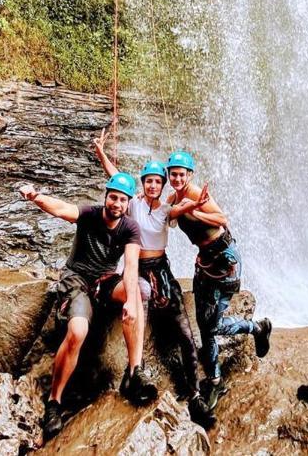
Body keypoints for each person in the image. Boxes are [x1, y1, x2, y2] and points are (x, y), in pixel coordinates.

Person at [19, 172, 157, 441]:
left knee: (140, 291)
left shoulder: (130, 228)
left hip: (105, 282)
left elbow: (130, 267)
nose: (117, 203)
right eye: (113, 197)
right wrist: (36, 196)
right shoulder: (90, 214)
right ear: (106, 197)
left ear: (128, 203)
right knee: (78, 331)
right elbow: (61, 209)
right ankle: (54, 402)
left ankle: (134, 372)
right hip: (78, 281)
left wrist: (129, 300)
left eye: (122, 200)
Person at [92, 129, 212, 426]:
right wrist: (101, 153)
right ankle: (134, 373)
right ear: (143, 184)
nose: (154, 185)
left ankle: (195, 394)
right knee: (138, 313)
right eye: (149, 181)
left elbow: (186, 205)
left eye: (158, 182)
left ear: (161, 186)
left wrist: (198, 204)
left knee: (184, 330)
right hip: (136, 269)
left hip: (162, 270)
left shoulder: (169, 210)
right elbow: (115, 175)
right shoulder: (131, 203)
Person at [166, 150, 272, 408]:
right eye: (173, 174)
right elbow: (158, 209)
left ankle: (220, 376)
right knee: (207, 325)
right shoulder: (174, 196)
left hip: (224, 261)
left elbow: (222, 219)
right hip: (205, 263)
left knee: (211, 329)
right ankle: (252, 331)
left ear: (189, 175)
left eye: (182, 174)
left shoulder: (194, 194)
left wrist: (194, 210)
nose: (177, 178)